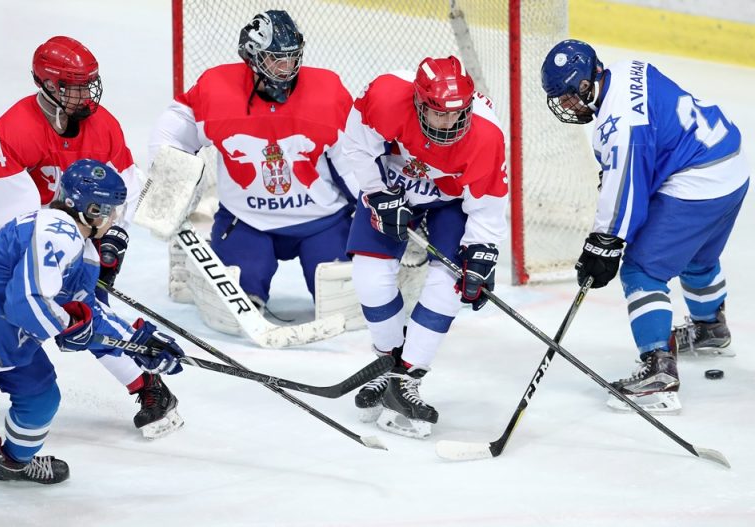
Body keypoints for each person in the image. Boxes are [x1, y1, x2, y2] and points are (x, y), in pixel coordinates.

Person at [0, 35, 183, 437]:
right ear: (47, 85)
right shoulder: (14, 130)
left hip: (85, 228)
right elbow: (11, 220)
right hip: (7, 238)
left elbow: (127, 187)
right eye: (74, 86)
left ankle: (147, 386)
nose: (86, 95)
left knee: (86, 312)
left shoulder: (103, 125)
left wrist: (114, 237)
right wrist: (71, 261)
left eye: (89, 83)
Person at [540, 40, 749, 413]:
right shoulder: (624, 70)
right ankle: (710, 329)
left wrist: (604, 242)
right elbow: (642, 157)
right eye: (561, 99)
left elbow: (627, 191)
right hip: (730, 166)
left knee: (642, 269)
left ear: (588, 82)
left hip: (698, 181)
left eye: (571, 95)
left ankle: (658, 374)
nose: (568, 105)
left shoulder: (618, 124)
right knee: (697, 255)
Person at [0, 159, 186, 484]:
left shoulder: (84, 250)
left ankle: (12, 464)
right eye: (110, 210)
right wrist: (73, 325)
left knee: (41, 396)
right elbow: (28, 304)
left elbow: (85, 310)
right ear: (92, 211)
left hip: (2, 336)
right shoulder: (56, 228)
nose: (114, 218)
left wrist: (141, 342)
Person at [329, 56, 509, 438]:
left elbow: (487, 203)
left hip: (450, 201)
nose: (448, 124)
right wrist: (378, 194)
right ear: (417, 102)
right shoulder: (385, 96)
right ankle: (388, 366)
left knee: (449, 285)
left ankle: (406, 379)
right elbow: (357, 147)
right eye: (438, 114)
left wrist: (481, 252)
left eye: (457, 115)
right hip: (394, 186)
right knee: (369, 277)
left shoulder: (487, 135)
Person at [148, 9, 355, 312]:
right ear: (253, 56)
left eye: (292, 58)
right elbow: (175, 132)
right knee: (238, 302)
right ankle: (207, 262)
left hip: (322, 221)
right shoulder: (218, 90)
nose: (287, 68)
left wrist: (374, 207)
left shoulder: (327, 93)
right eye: (276, 59)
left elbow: (353, 161)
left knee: (345, 303)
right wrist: (168, 184)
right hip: (247, 221)